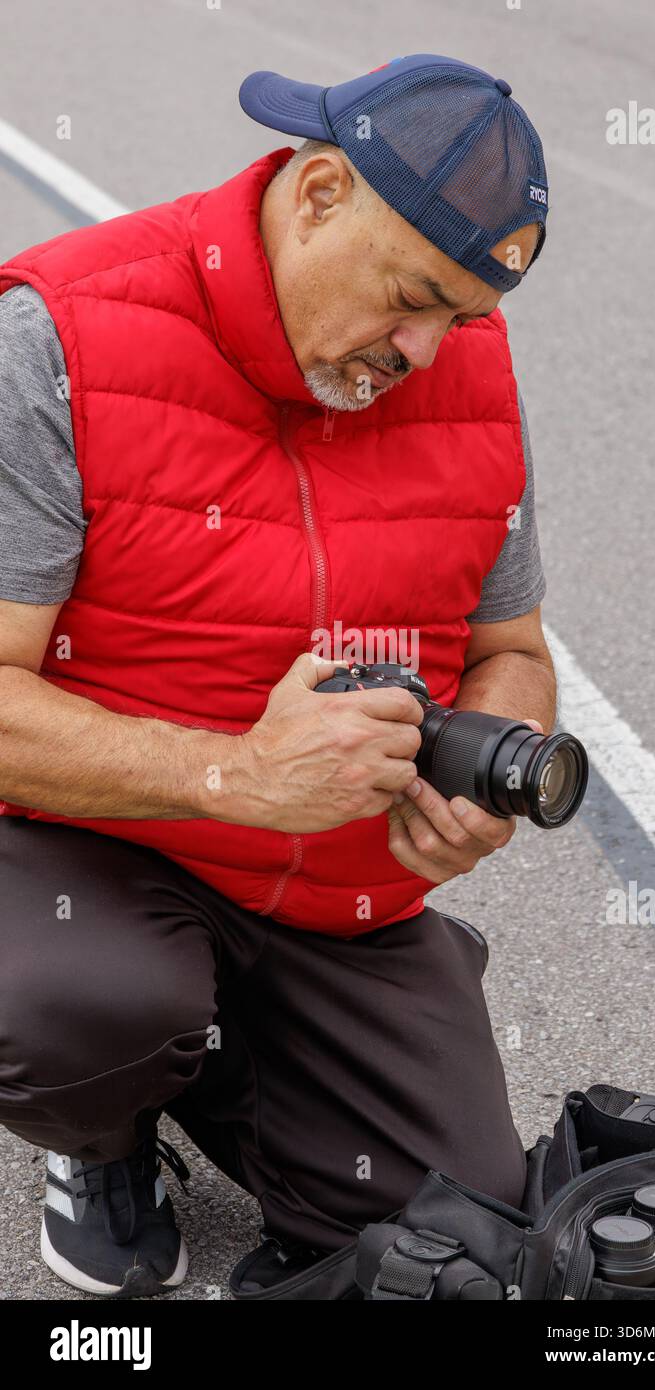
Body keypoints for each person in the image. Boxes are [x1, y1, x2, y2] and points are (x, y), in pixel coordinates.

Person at [0, 53, 556, 1298]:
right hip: (97, 851)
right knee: (75, 1006)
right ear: (315, 192)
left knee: (463, 1234)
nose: (426, 349)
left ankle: (256, 1048)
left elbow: (511, 653)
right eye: (413, 295)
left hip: (336, 896)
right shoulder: (60, 336)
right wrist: (229, 773)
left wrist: (488, 782)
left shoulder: (469, 368)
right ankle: (105, 1132)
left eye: (458, 317)